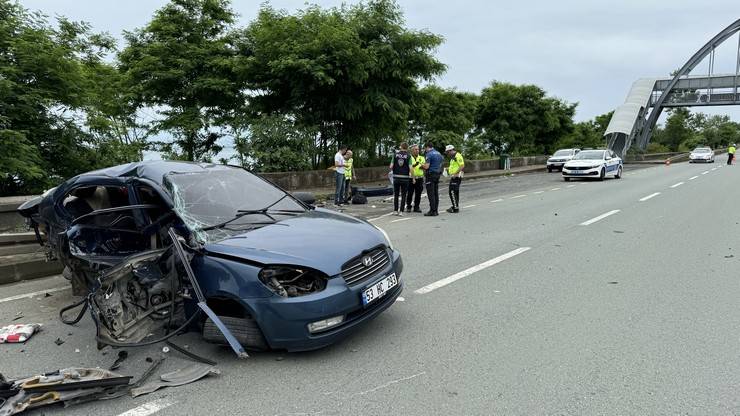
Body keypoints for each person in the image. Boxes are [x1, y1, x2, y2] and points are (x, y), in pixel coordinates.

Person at [422, 142, 444, 216]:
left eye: (425, 148)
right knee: (435, 193)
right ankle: (436, 210)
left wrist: (422, 166)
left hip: (430, 175)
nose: (425, 150)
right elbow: (441, 163)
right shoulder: (439, 153)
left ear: (427, 147)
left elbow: (427, 167)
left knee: (431, 193)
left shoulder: (429, 154)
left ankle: (432, 211)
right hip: (437, 174)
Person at [389, 142, 411, 216]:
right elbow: (411, 167)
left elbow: (391, 166)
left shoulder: (395, 155)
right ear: (407, 148)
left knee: (396, 194)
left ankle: (395, 210)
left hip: (396, 177)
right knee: (404, 195)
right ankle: (401, 211)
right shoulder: (408, 156)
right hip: (405, 178)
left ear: (401, 147)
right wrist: (413, 177)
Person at [445, 144, 465, 213]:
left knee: (452, 191)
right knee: (455, 192)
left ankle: (455, 208)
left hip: (456, 177)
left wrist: (455, 173)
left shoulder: (457, 156)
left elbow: (462, 166)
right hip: (454, 176)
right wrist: (448, 169)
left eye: (448, 152)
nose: (447, 154)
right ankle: (455, 206)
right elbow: (454, 166)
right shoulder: (453, 157)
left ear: (451, 150)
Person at [405, 145, 425, 213]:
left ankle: (416, 207)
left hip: (419, 178)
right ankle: (408, 206)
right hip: (410, 178)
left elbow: (424, 166)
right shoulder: (408, 157)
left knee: (418, 193)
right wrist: (415, 165)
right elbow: (408, 167)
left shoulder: (422, 158)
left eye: (418, 149)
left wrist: (422, 166)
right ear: (412, 151)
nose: (417, 151)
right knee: (410, 193)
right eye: (415, 149)